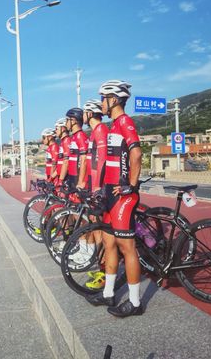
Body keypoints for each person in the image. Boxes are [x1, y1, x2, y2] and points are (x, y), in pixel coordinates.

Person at [85, 80, 144, 317]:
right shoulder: (113, 125)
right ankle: (108, 292)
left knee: (126, 247)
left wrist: (131, 185)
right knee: (109, 243)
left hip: (123, 195)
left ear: (114, 99)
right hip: (110, 193)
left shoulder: (125, 122)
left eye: (103, 98)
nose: (101, 103)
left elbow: (137, 153)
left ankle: (135, 302)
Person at [79, 99, 109, 290]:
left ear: (90, 113)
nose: (83, 115)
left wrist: (97, 188)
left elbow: (102, 161)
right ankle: (102, 266)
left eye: (84, 112)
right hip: (93, 185)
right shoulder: (94, 134)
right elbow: (90, 162)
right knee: (95, 226)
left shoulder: (101, 132)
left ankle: (106, 271)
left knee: (102, 231)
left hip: (100, 187)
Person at [57, 108, 88, 190]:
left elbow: (84, 160)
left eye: (67, 120)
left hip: (77, 177)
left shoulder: (80, 136)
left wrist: (80, 181)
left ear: (73, 121)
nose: (66, 123)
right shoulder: (74, 136)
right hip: (72, 175)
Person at [53, 119, 70, 186]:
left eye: (56, 128)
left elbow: (66, 162)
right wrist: (52, 177)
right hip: (61, 176)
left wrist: (61, 180)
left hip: (65, 177)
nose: (55, 131)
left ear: (63, 128)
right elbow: (60, 164)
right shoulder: (62, 142)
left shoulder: (66, 141)